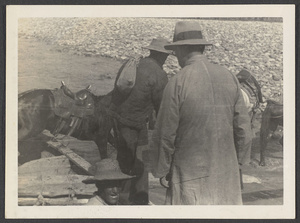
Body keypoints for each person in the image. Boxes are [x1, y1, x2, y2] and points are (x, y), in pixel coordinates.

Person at [151, 21, 252, 205]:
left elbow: (165, 134)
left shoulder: (177, 82)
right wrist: (239, 163)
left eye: (175, 52)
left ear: (182, 50)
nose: (176, 57)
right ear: (201, 47)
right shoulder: (229, 76)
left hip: (190, 178)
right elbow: (244, 130)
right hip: (226, 175)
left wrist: (161, 168)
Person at [109, 38, 172, 205]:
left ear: (150, 51)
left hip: (117, 119)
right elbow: (162, 108)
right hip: (136, 124)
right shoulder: (159, 74)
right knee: (140, 163)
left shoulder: (132, 64)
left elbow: (117, 89)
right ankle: (139, 200)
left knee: (123, 158)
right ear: (163, 56)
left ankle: (122, 195)